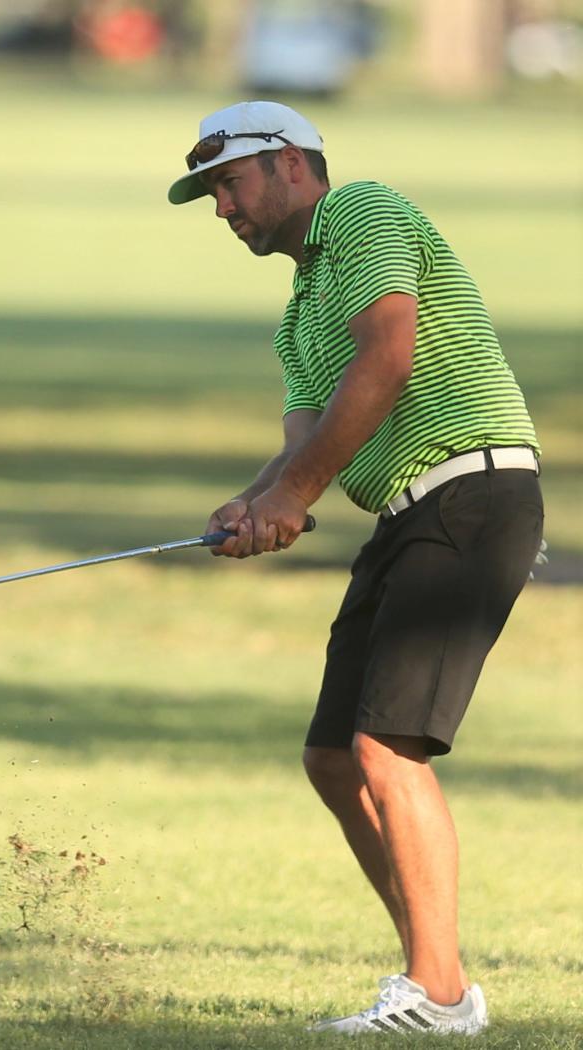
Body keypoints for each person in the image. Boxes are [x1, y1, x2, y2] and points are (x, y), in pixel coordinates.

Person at [168, 101, 543, 1036]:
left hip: (473, 493)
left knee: (389, 747)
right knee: (335, 757)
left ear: (293, 166)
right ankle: (437, 978)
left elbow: (386, 355)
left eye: (230, 184)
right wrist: (257, 501)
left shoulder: (364, 214)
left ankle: (439, 995)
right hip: (409, 516)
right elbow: (305, 441)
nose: (223, 210)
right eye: (212, 194)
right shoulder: (298, 316)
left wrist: (291, 495)